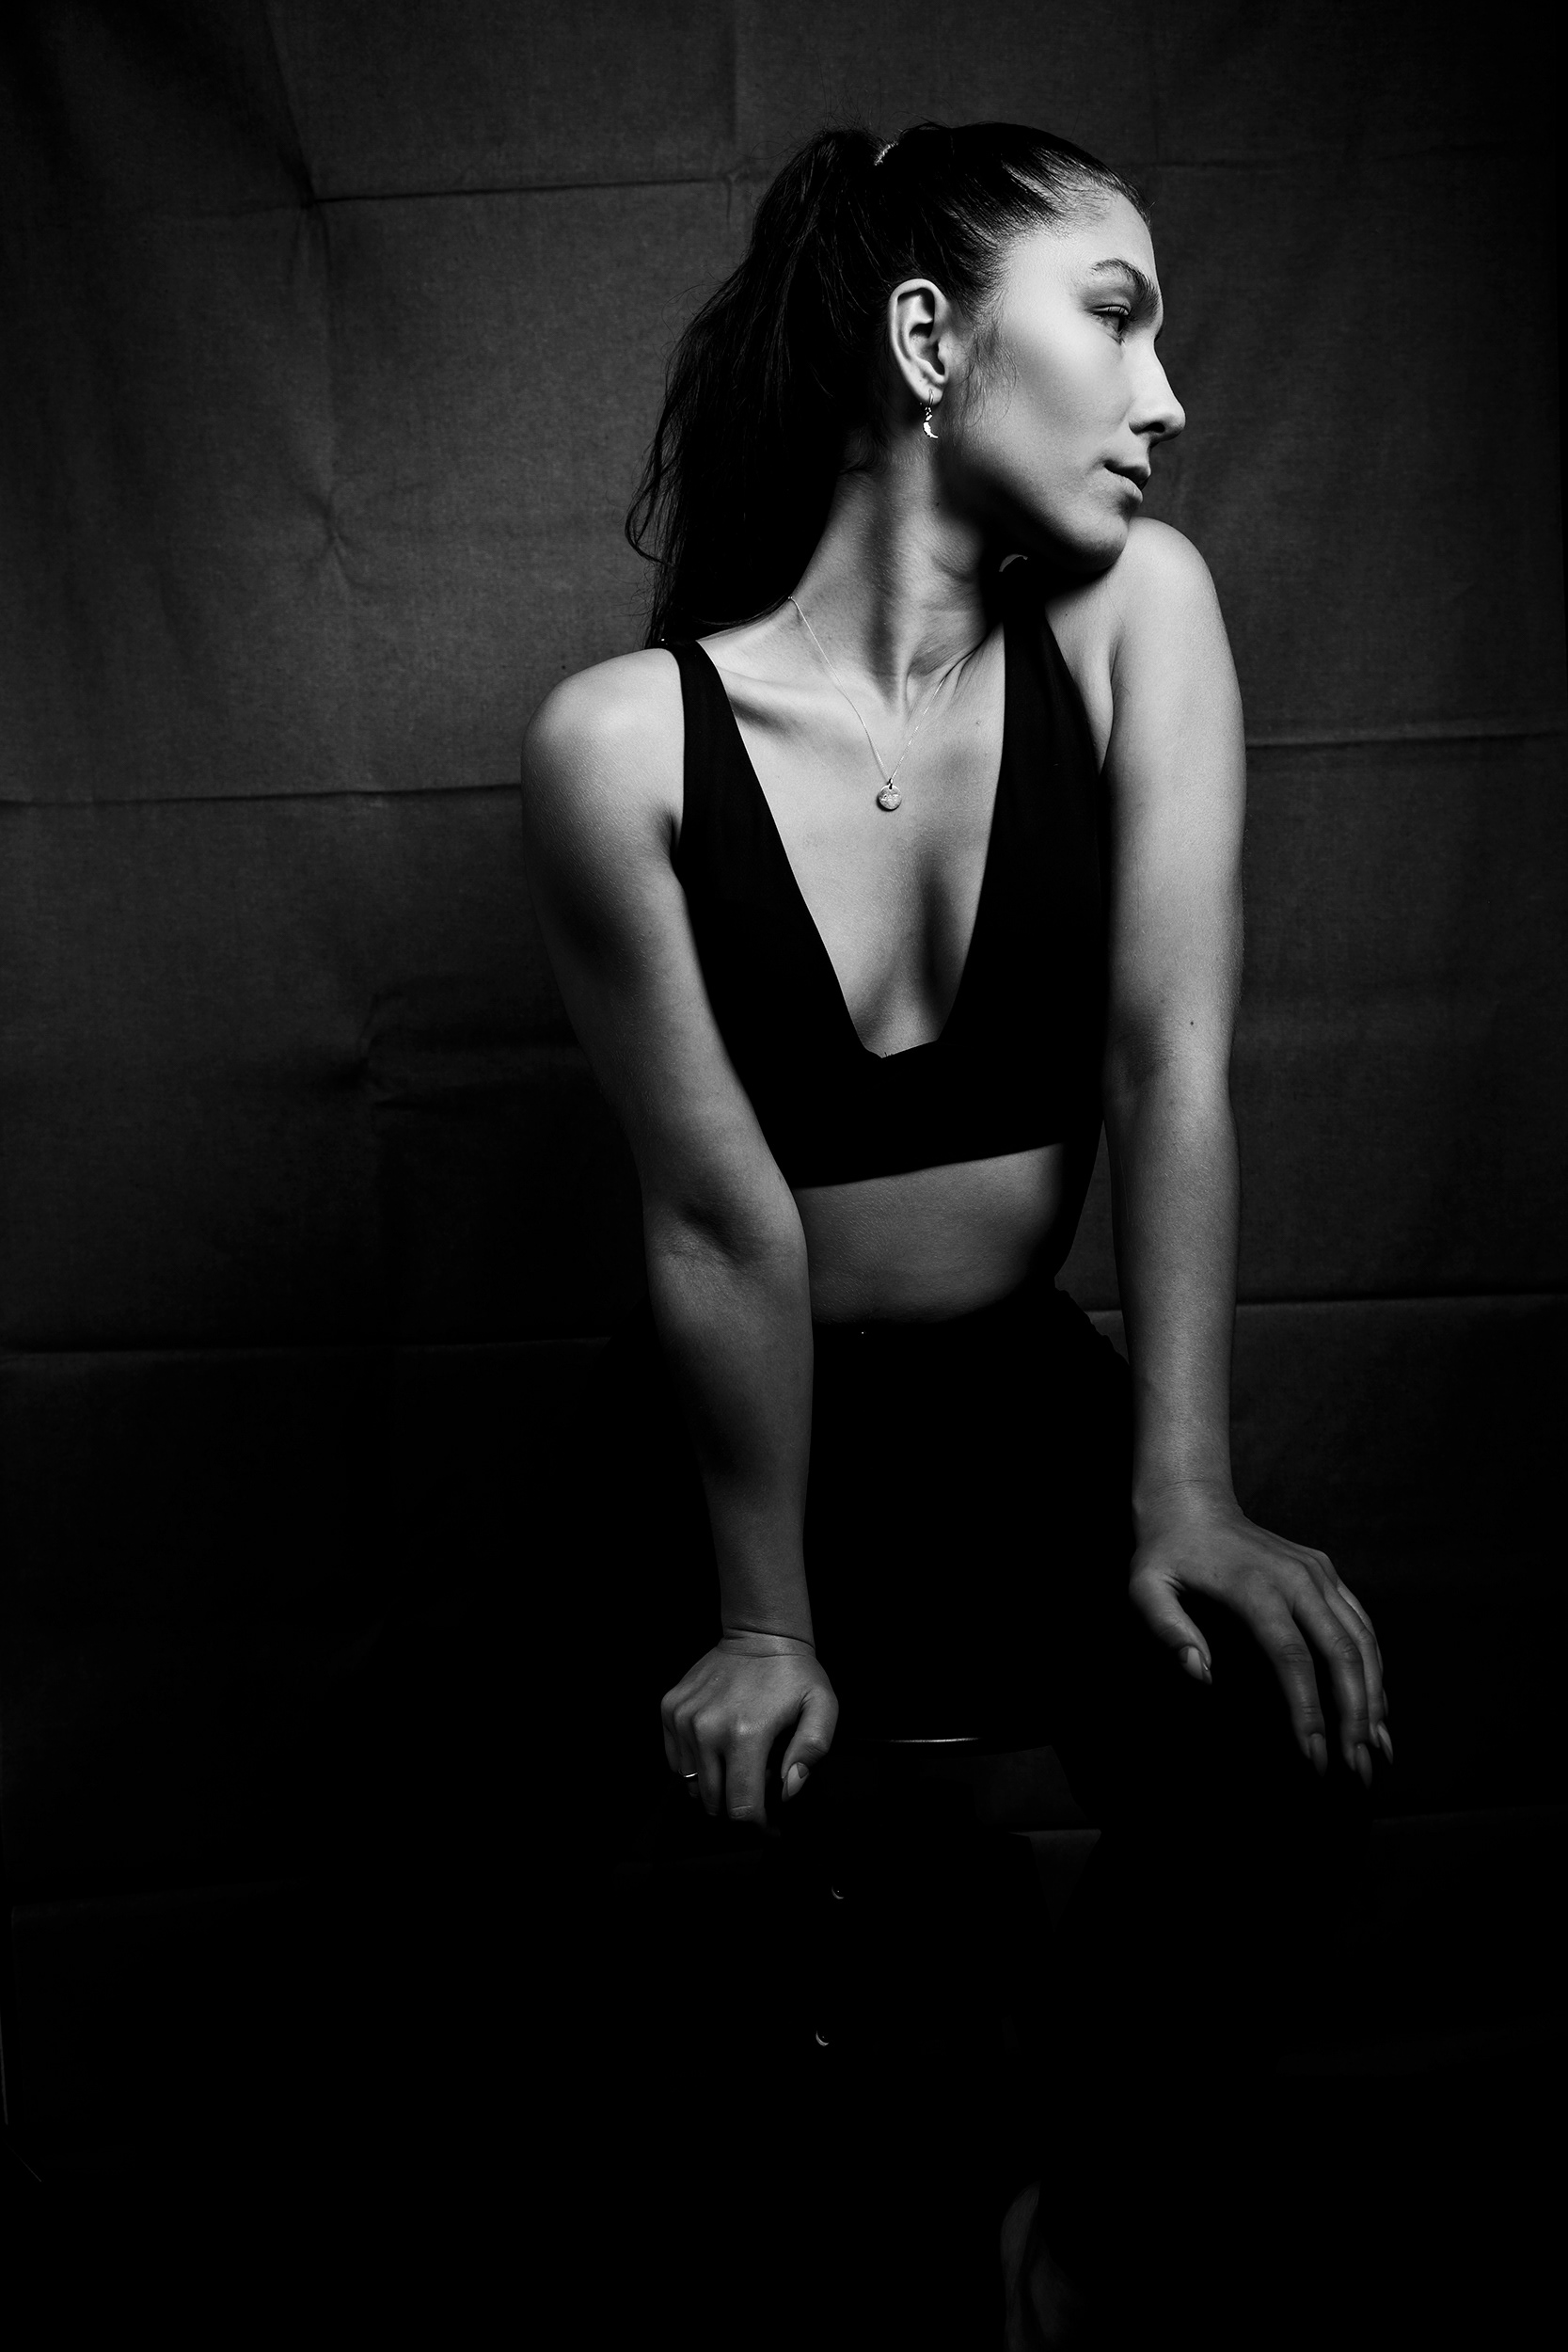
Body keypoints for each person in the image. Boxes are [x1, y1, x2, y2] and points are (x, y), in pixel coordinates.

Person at [522, 120, 1387, 2347]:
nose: (1165, 394)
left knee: (1280, 1736)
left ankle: (1072, 2235)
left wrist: (1183, 1487)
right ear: (929, 340)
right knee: (549, 1842)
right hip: (734, 1429)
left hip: (1021, 1404)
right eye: (1116, 316)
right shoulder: (623, 744)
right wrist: (764, 1613)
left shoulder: (1136, 616)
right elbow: (715, 1218)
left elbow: (1171, 1067)